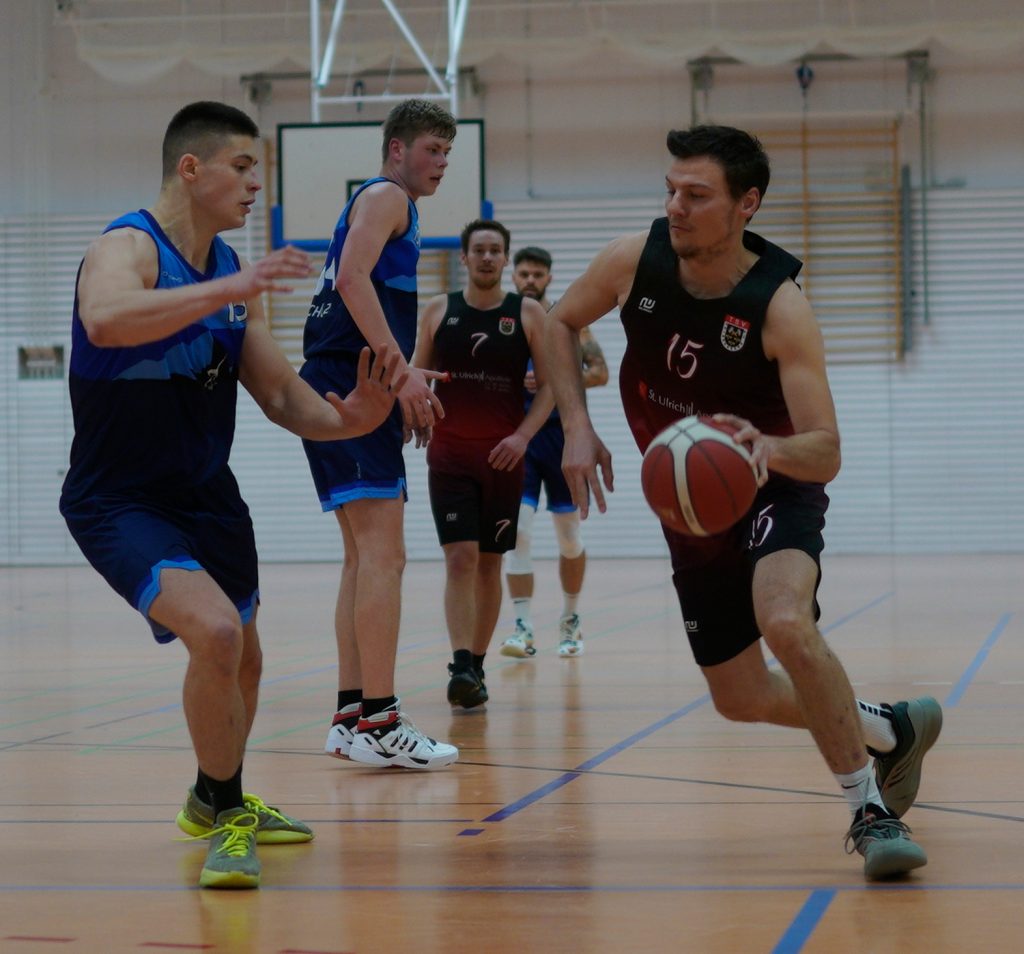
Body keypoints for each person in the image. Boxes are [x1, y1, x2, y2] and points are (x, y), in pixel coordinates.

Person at [545, 124, 942, 881]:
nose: (676, 207)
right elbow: (559, 323)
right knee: (741, 696)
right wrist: (574, 426)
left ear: (746, 205)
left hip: (775, 485)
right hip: (692, 509)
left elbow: (826, 447)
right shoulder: (636, 259)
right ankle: (889, 729)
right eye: (670, 190)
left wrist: (765, 447)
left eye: (696, 196)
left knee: (785, 620)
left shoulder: (780, 306)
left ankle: (869, 811)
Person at [59, 101, 407, 889]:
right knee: (215, 635)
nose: (257, 184)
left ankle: (214, 798)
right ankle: (227, 814)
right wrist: (233, 289)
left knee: (244, 661)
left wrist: (354, 418)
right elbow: (107, 320)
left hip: (210, 497)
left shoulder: (226, 273)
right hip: (120, 499)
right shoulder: (127, 246)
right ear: (192, 168)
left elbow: (282, 397)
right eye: (244, 166)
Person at [300, 99, 459, 767]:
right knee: (383, 557)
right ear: (396, 149)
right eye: (432, 150)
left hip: (344, 374)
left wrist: (403, 369)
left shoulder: (384, 201)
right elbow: (354, 278)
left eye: (447, 154)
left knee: (363, 559)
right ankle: (381, 723)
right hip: (354, 379)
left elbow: (351, 292)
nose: (442, 163)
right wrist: (401, 374)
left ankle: (350, 717)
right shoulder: (388, 196)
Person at [410, 220, 552, 709]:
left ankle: (477, 662)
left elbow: (553, 387)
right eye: (479, 250)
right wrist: (418, 408)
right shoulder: (438, 310)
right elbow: (415, 375)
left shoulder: (528, 314)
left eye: (496, 250)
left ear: (505, 259)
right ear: (465, 258)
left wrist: (522, 436)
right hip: (449, 455)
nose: (488, 258)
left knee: (490, 562)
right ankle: (460, 664)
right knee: (459, 558)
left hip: (503, 457)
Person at [500, 246, 608, 659]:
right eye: (524, 273)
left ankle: (570, 620)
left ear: (548, 277)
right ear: (515, 275)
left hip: (562, 439)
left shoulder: (567, 321)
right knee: (519, 533)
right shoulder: (505, 321)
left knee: (568, 538)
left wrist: (555, 377)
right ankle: (523, 628)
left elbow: (599, 371)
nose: (530, 280)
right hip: (520, 438)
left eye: (537, 274)